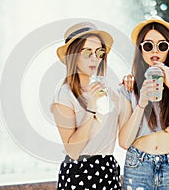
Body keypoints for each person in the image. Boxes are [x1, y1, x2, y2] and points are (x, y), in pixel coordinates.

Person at [119, 16, 169, 189]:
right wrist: (141, 103)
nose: (155, 51)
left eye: (162, 45)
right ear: (140, 49)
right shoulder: (129, 85)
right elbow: (124, 142)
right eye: (148, 45)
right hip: (138, 166)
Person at [51, 22, 125, 190]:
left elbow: (127, 126)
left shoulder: (107, 90)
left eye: (99, 52)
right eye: (87, 52)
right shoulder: (64, 95)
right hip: (79, 174)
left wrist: (131, 90)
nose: (95, 58)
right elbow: (73, 151)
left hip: (108, 170)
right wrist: (90, 108)